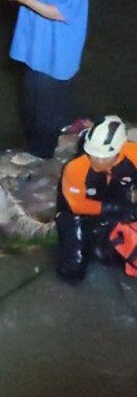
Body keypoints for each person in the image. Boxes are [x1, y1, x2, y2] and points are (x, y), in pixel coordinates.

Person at [0, 0, 90, 159]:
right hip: (33, 50)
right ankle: (33, 145)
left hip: (57, 55)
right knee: (29, 104)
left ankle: (42, 157)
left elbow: (60, 13)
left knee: (46, 114)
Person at [56, 116, 137, 283]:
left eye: (104, 156)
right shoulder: (75, 167)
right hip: (77, 212)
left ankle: (104, 242)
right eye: (93, 154)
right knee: (73, 269)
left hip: (116, 200)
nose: (97, 161)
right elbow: (76, 205)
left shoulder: (133, 155)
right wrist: (116, 208)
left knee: (117, 256)